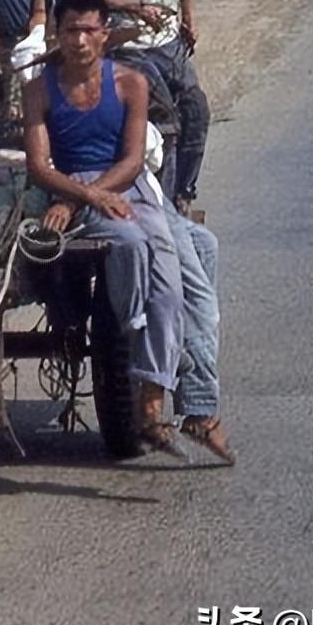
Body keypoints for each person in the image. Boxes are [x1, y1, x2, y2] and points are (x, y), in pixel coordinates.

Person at [23, 0, 186, 455]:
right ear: (58, 34)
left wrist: (99, 193)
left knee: (170, 287)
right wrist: (81, 197)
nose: (78, 40)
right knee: (130, 244)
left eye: (89, 30)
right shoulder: (38, 89)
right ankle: (132, 331)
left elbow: (134, 160)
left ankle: (153, 393)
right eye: (70, 30)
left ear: (104, 34)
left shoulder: (131, 82)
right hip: (72, 187)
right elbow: (39, 165)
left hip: (125, 186)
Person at [87, 0, 210, 212]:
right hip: (129, 46)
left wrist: (189, 22)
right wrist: (134, 6)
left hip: (169, 43)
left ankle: (185, 191)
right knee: (166, 111)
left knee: (197, 109)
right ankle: (165, 204)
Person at [141, 122, 233, 464]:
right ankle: (197, 409)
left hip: (144, 189)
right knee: (200, 304)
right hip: (126, 192)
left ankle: (184, 375)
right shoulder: (56, 89)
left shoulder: (120, 83)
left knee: (206, 245)